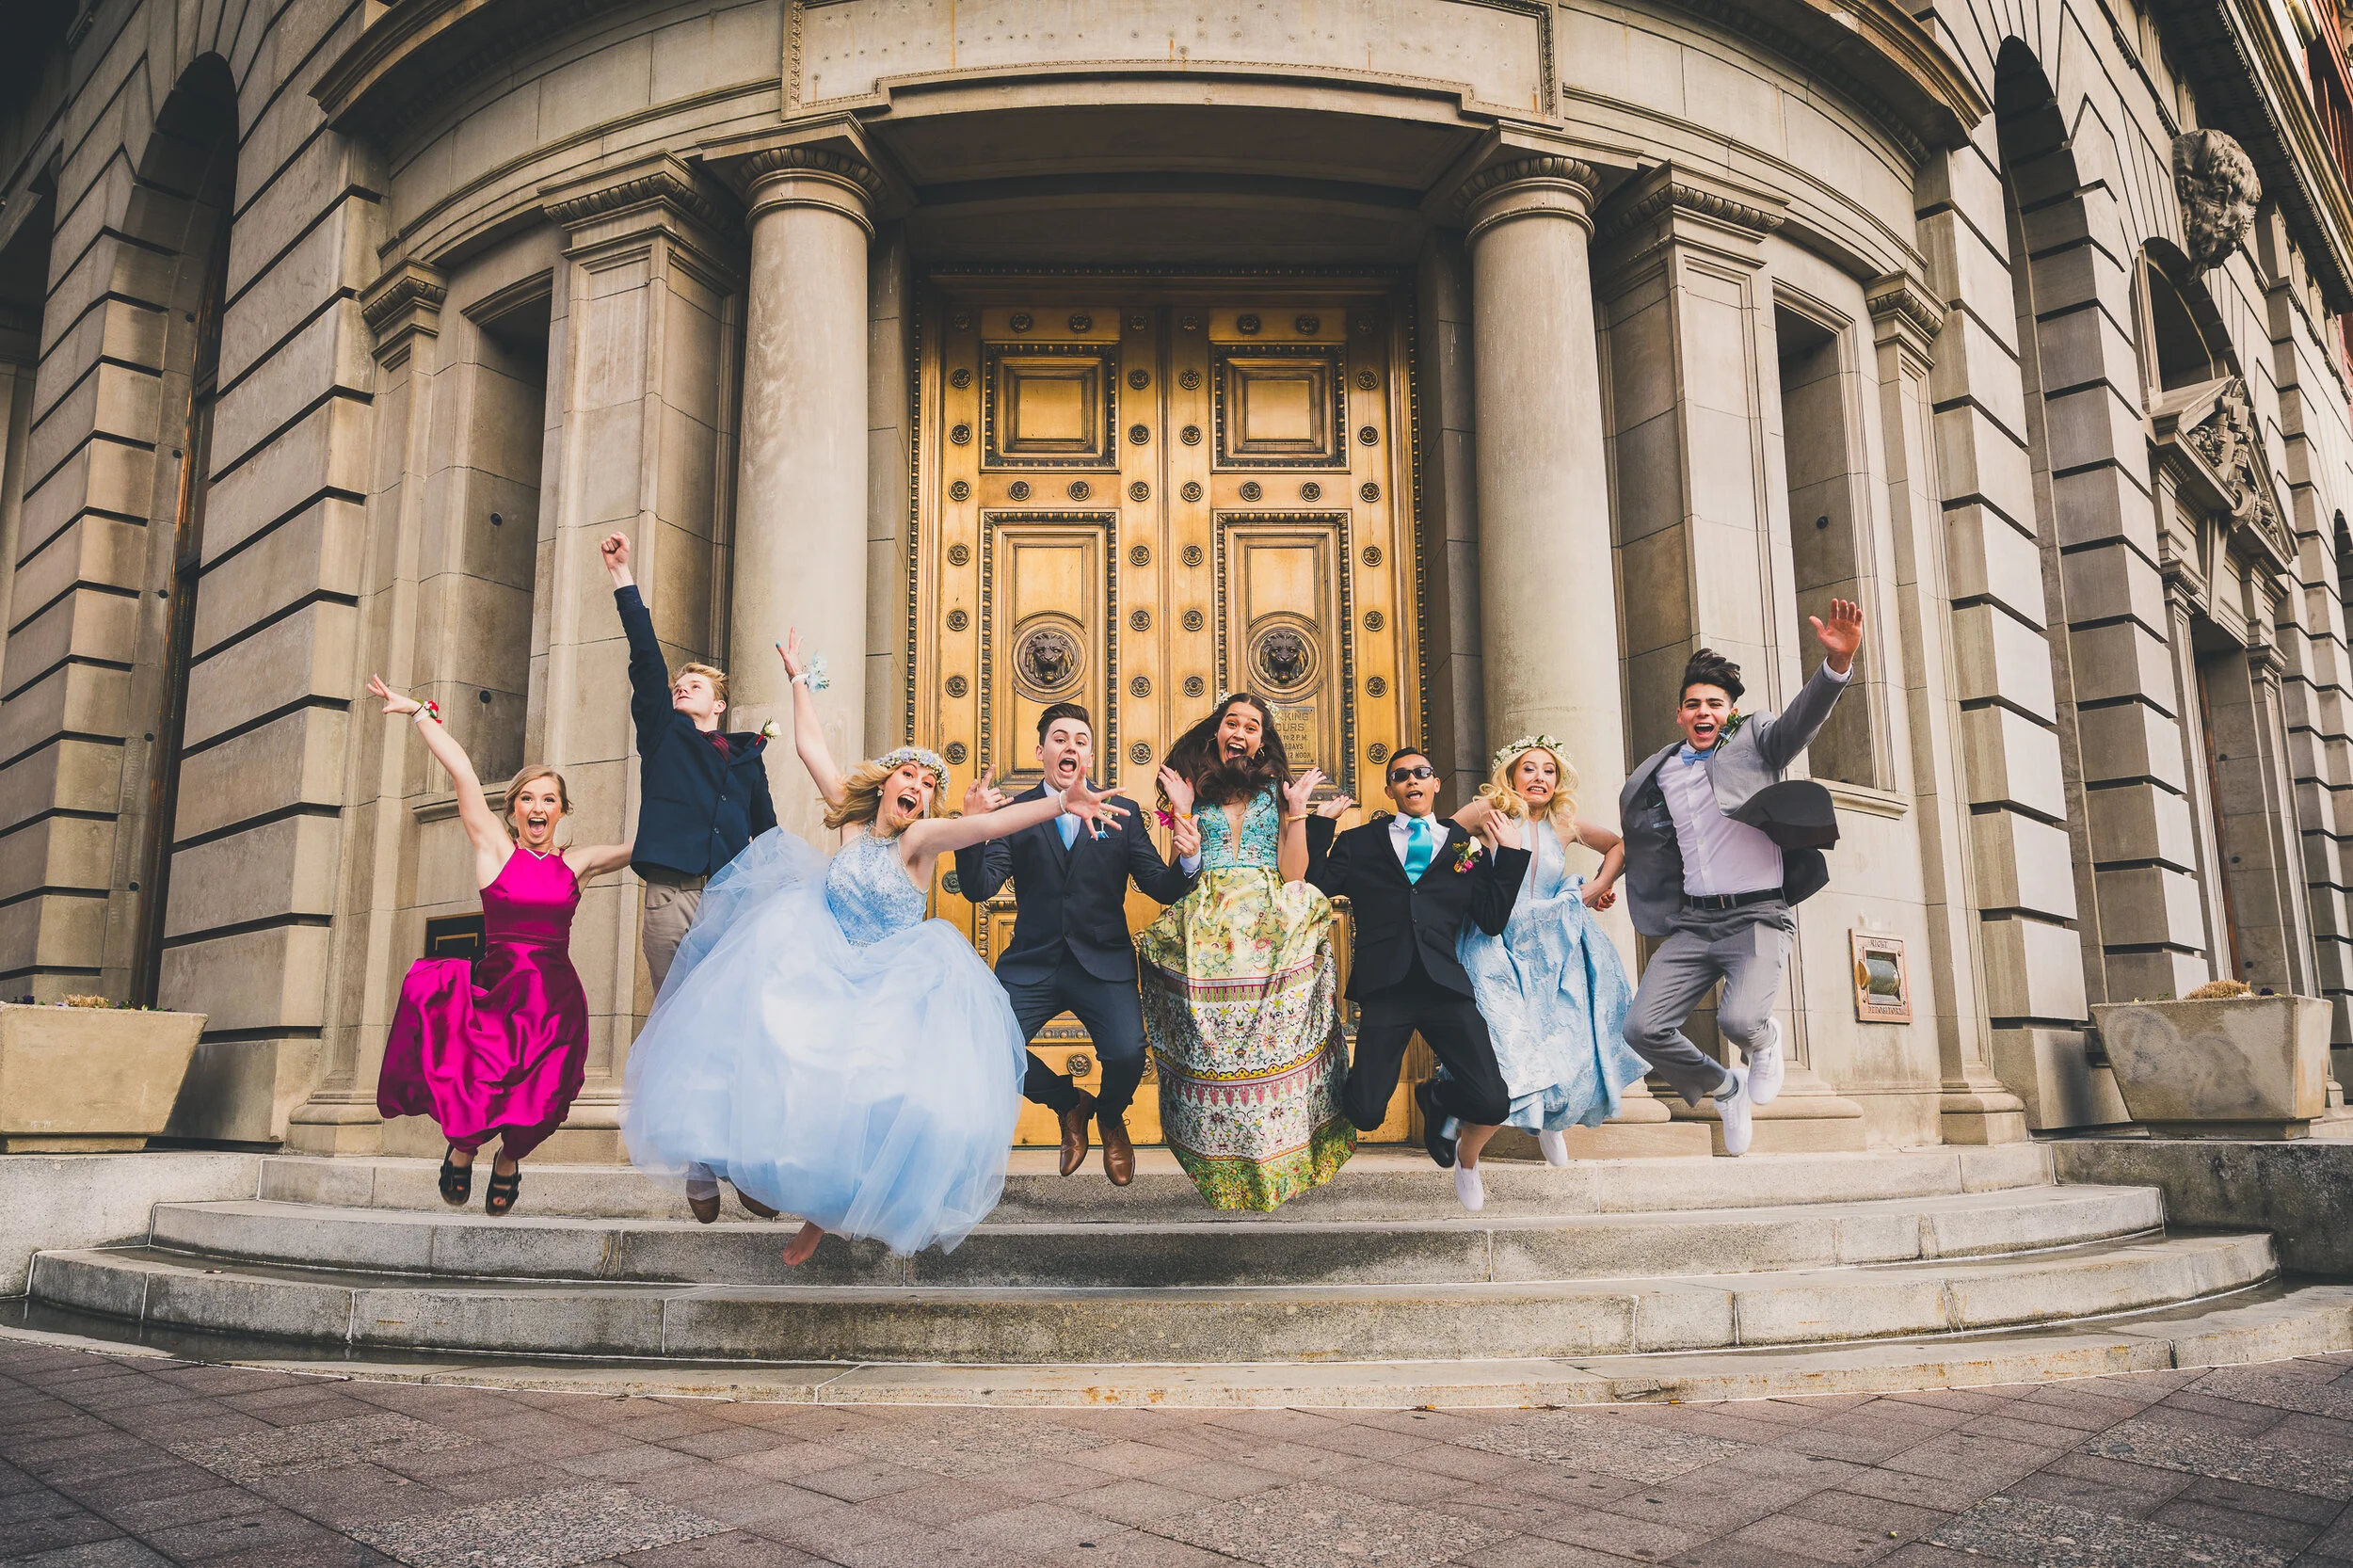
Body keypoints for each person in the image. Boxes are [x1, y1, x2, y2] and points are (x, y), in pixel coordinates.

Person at [622, 631, 1125, 1264]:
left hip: (890, 979)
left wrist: (1059, 801)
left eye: (925, 782)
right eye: (906, 775)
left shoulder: (921, 841)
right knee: (776, 1050)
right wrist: (799, 678)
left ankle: (830, 1214)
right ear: (887, 785)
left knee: (878, 1094)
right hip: (823, 960)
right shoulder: (854, 822)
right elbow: (810, 748)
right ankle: (756, 1178)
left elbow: (991, 824)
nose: (915, 785)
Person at [370, 676, 632, 1218]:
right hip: (497, 992)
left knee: (543, 1094)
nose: (539, 808)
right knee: (480, 1083)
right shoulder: (494, 848)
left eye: (550, 800)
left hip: (555, 1003)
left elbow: (648, 848)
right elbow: (464, 771)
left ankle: (510, 1158)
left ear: (562, 811)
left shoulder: (576, 864)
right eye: (529, 799)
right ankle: (464, 1147)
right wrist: (420, 712)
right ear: (514, 809)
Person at [1618, 601, 1865, 1158]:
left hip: (1756, 915)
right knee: (1641, 1029)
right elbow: (1641, 841)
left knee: (1740, 1019)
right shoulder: (1658, 771)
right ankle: (1722, 1088)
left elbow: (1801, 719)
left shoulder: (1756, 742)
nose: (1702, 712)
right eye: (1692, 705)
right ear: (1679, 714)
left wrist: (1835, 668)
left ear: (1729, 713)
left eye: (1714, 704)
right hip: (1694, 923)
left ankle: (1766, 1041)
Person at [600, 531, 780, 1224]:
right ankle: (703, 1164)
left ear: (720, 705)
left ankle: (743, 1160)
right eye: (680, 684)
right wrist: (624, 578)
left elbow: (767, 836)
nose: (681, 687)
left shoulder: (747, 759)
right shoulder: (665, 734)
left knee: (734, 1030)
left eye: (694, 685)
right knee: (683, 1027)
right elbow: (645, 662)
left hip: (732, 906)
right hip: (672, 898)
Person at [954, 702, 1201, 1185]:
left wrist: (1186, 861)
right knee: (989, 1048)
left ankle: (1109, 1117)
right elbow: (980, 888)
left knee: (1128, 1054)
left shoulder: (1123, 813)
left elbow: (1160, 887)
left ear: (1090, 754)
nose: (1071, 746)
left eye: (1081, 740)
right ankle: (1069, 1104)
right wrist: (970, 830)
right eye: (1061, 738)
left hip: (1102, 962)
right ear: (1040, 750)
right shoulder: (1018, 811)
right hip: (1032, 962)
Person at [1143, 694, 1354, 1212]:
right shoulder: (1190, 792)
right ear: (1217, 731)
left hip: (1267, 924)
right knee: (1212, 1051)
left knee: (1271, 1048)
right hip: (1209, 922)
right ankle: (1223, 1166)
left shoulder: (1275, 793)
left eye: (1252, 726)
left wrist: (1298, 813)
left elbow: (1296, 873)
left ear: (1263, 739)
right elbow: (1183, 867)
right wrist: (1183, 813)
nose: (1241, 731)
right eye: (1232, 722)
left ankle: (1277, 1155)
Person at [1305, 746, 1529, 1211]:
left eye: (1421, 773)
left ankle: (1438, 1095)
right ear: (1390, 790)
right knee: (1366, 1114)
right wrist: (1320, 825)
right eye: (1401, 776)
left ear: (1435, 784)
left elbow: (1490, 919)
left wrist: (1509, 855)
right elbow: (1317, 883)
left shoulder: (1463, 846)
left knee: (1491, 1103)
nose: (1412, 781)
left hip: (1444, 987)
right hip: (1386, 988)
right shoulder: (1362, 842)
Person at [1441, 736, 1646, 1167]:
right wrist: (1468, 882)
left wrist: (1595, 888)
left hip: (1554, 947)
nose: (1539, 777)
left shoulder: (1566, 823)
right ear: (1512, 773)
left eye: (1548, 770)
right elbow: (1441, 842)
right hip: (1493, 942)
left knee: (1564, 1040)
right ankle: (1468, 1154)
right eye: (1530, 768)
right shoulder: (1488, 812)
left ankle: (1550, 1120)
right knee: (1507, 1042)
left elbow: (1621, 846)